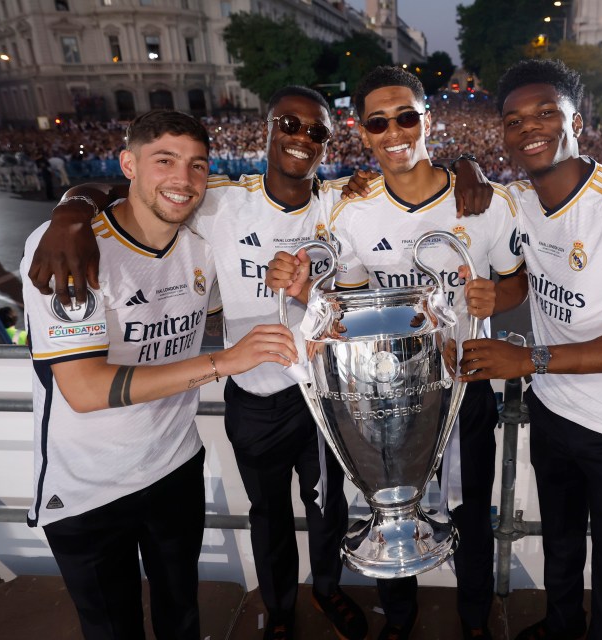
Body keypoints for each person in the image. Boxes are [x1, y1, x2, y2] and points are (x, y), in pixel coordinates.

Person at [26, 88, 371, 640]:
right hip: (250, 399)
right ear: (267, 128)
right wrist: (72, 208)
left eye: (317, 132)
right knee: (269, 516)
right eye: (290, 124)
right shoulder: (216, 204)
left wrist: (311, 290)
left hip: (316, 397)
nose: (302, 138)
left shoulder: (343, 201)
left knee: (328, 509)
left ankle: (327, 590)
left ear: (329, 144)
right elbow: (137, 193)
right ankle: (280, 611)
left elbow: (360, 290)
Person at [267, 66, 526, 640]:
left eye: (406, 116)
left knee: (470, 510)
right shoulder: (350, 205)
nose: (395, 131)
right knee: (388, 510)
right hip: (381, 387)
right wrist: (298, 282)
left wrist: (495, 296)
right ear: (362, 132)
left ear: (426, 120)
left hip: (464, 382)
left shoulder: (486, 201)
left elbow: (515, 281)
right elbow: (349, 297)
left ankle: (475, 622)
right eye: (378, 122)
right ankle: (399, 619)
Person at [458, 59, 602, 640]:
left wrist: (530, 359)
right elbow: (524, 278)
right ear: (503, 135)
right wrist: (465, 166)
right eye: (513, 120)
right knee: (559, 543)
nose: (529, 127)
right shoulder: (517, 201)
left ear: (576, 121)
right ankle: (562, 626)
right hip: (554, 409)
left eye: (545, 112)